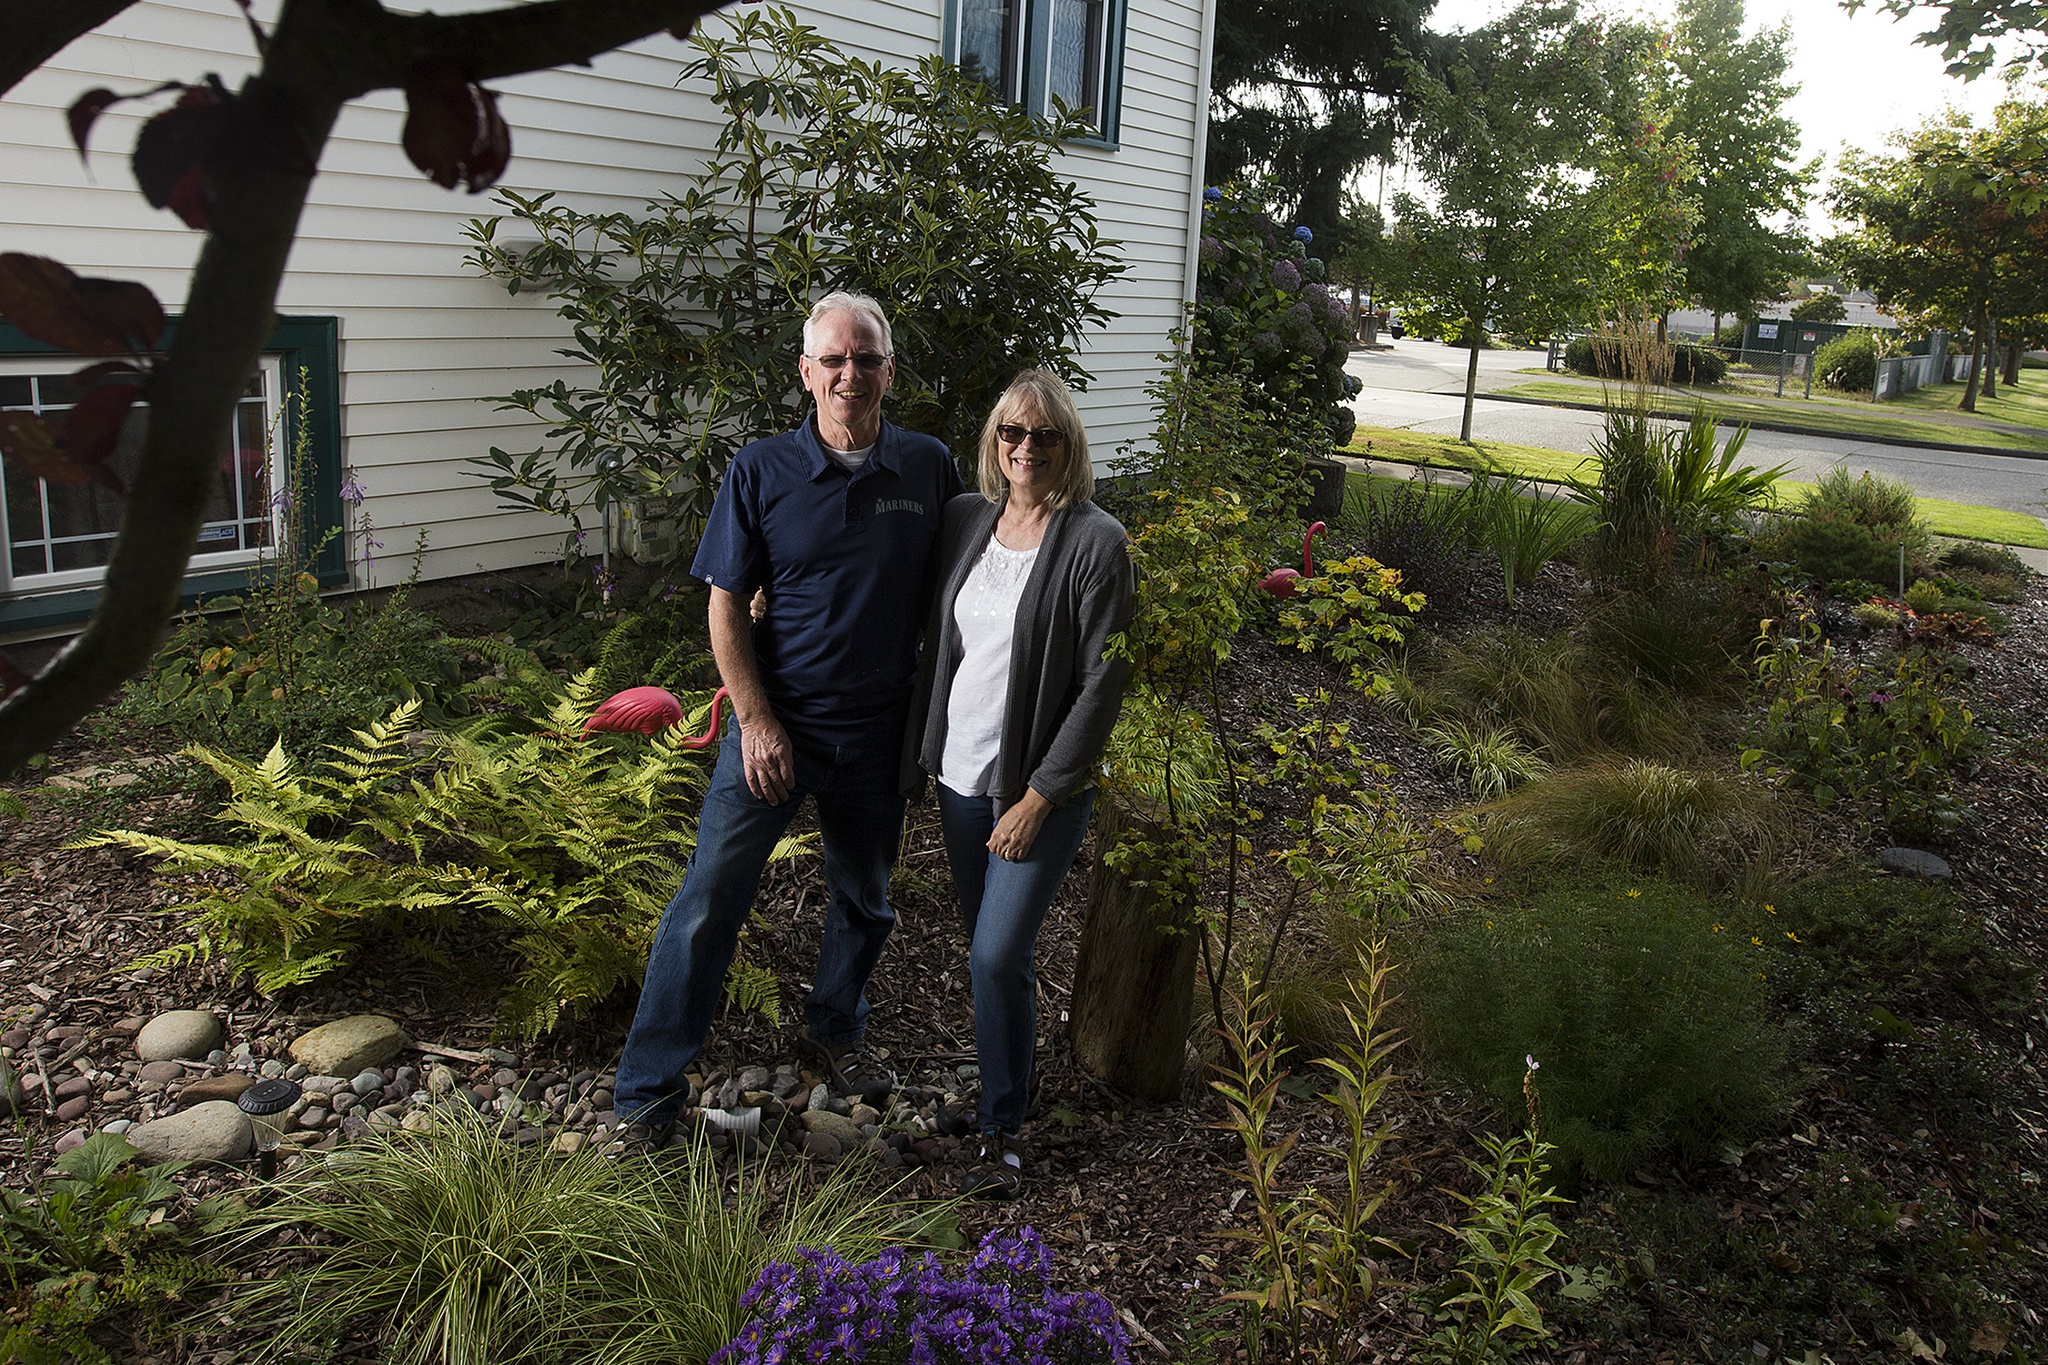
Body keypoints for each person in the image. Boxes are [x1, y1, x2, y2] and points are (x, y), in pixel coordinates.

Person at [610, 291, 964, 1153]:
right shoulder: (760, 470)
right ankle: (647, 1090)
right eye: (834, 360)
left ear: (890, 368)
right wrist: (759, 722)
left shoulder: (928, 469)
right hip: (775, 734)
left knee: (867, 899)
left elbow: (959, 593)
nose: (852, 374)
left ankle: (834, 1027)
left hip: (878, 734)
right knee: (705, 905)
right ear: (806, 373)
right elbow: (726, 605)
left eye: (867, 357)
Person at [902, 369, 1133, 1198]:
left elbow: (1102, 685)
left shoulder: (1096, 541)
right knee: (989, 956)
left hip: (1036, 791)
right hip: (959, 776)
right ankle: (1012, 1083)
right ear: (994, 440)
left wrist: (1039, 798)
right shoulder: (969, 519)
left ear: (1069, 446)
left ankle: (1002, 1131)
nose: (1025, 447)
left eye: (1044, 435)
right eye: (1012, 433)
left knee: (998, 954)